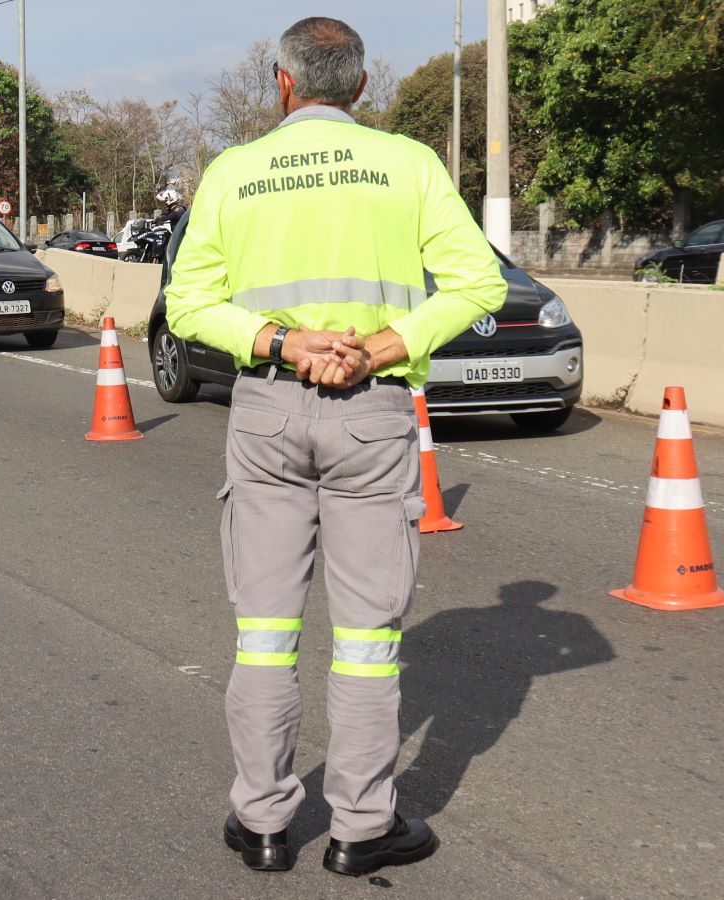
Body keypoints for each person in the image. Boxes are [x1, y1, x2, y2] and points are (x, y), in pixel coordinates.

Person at [164, 16, 507, 878]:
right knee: (366, 640)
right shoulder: (408, 164)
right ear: (362, 86)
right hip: (373, 412)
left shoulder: (234, 172)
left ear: (281, 83)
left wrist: (283, 345)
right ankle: (360, 829)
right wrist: (382, 347)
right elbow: (478, 281)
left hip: (269, 411)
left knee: (265, 633)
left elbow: (187, 304)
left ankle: (266, 822)